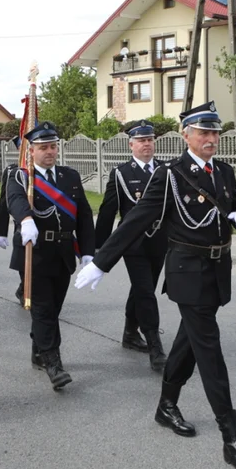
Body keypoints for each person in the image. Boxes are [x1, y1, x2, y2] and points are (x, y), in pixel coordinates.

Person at [75, 102, 236, 469]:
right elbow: (135, 220)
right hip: (186, 273)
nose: (211, 139)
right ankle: (231, 437)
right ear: (186, 136)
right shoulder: (171, 175)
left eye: (215, 133)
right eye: (204, 133)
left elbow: (235, 202)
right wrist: (100, 260)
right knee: (209, 349)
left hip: (216, 270)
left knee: (189, 342)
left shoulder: (223, 171)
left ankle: (166, 406)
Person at [6, 121, 95, 391]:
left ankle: (38, 349)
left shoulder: (69, 176)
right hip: (36, 252)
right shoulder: (21, 176)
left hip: (63, 253)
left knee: (53, 307)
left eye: (53, 147)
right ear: (31, 151)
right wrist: (25, 218)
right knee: (44, 309)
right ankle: (53, 362)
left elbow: (84, 215)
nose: (49, 152)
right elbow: (14, 199)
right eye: (43, 147)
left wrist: (89, 251)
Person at [95, 120, 168, 371]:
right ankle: (155, 346)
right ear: (131, 145)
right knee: (146, 292)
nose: (146, 144)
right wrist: (98, 249)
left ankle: (129, 332)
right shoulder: (121, 173)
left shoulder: (165, 170)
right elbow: (107, 212)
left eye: (150, 140)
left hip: (159, 241)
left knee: (142, 289)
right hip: (133, 245)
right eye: (141, 140)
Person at [0, 137, 23, 300]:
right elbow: (4, 201)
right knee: (23, 260)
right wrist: (1, 232)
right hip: (21, 225)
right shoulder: (13, 171)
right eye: (23, 147)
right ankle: (24, 287)